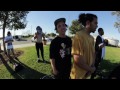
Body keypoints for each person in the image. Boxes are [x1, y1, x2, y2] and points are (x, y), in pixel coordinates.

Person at [70, 13, 98, 79]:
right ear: (88, 23)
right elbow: (77, 60)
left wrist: (92, 67)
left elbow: (93, 54)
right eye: (95, 23)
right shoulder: (78, 36)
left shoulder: (92, 38)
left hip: (87, 74)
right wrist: (91, 69)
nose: (97, 26)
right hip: (77, 76)